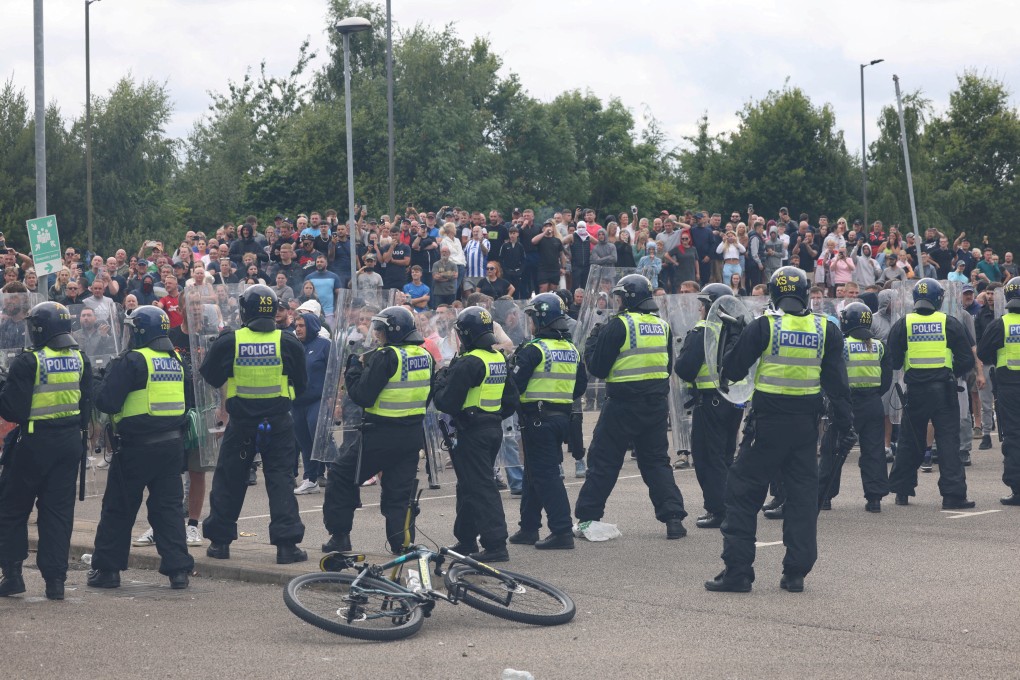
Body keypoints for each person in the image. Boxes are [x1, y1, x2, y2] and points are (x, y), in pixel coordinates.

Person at [705, 267, 852, 594]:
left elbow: (731, 370)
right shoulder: (826, 329)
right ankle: (795, 574)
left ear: (773, 293)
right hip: (805, 429)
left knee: (743, 493)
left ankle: (737, 573)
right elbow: (838, 384)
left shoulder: (764, 326)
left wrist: (734, 339)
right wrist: (846, 425)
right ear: (806, 293)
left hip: (766, 427)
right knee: (801, 499)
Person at [86, 307, 194, 590]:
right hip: (171, 446)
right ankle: (179, 571)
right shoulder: (175, 360)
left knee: (119, 509)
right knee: (167, 509)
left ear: (141, 331)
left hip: (136, 448)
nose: (128, 334)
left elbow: (108, 403)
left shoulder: (133, 360)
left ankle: (107, 571)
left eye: (131, 329)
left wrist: (98, 380)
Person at [199, 285, 309, 564]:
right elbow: (302, 383)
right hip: (279, 422)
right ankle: (286, 547)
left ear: (244, 311)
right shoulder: (288, 341)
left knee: (229, 480)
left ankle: (220, 543)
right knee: (281, 480)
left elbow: (210, 375)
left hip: (242, 423)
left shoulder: (230, 341)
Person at [574, 274, 688, 539]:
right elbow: (666, 366)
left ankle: (587, 517)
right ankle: (673, 519)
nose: (618, 302)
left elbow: (599, 368)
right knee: (657, 463)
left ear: (629, 298)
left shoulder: (618, 325)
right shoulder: (662, 326)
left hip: (622, 406)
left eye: (620, 297)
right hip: (655, 405)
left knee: (603, 461)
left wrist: (592, 342)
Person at [321, 306, 433, 554]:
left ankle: (340, 537)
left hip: (381, 433)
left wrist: (354, 368)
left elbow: (363, 396)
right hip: (412, 435)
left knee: (340, 474)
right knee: (399, 492)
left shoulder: (386, 356)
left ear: (393, 331)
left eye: (380, 330)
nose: (377, 335)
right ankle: (402, 544)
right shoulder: (425, 356)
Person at [0, 302, 92, 600]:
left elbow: (12, 409)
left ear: (40, 328)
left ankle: (12, 576)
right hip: (68, 444)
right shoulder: (80, 358)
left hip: (33, 444)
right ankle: (56, 583)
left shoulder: (30, 361)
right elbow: (88, 403)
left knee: (12, 510)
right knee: (57, 514)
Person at [433, 306, 519, 562]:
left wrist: (439, 382)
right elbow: (511, 400)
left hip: (472, 432)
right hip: (491, 428)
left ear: (467, 334)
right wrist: (490, 416)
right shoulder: (497, 358)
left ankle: (495, 544)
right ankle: (467, 539)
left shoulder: (469, 362)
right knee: (468, 485)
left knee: (480, 487)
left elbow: (447, 403)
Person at [507, 294, 587, 550]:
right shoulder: (572, 350)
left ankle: (562, 530)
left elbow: (513, 386)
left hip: (537, 420)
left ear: (540, 320)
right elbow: (579, 388)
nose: (528, 322)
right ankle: (529, 527)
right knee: (534, 474)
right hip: (561, 418)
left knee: (546, 476)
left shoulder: (534, 349)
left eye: (531, 317)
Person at [887, 278, 976, 509]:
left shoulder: (903, 324)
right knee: (948, 442)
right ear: (939, 299)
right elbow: (966, 360)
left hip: (915, 391)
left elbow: (893, 361)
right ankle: (952, 496)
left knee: (908, 441)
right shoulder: (950, 323)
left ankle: (902, 491)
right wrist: (949, 372)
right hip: (944, 391)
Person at [674, 283, 745, 529]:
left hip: (710, 401)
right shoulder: (738, 328)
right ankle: (731, 505)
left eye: (702, 304)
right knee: (726, 457)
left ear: (709, 306)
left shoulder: (703, 330)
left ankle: (718, 511)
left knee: (708, 458)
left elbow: (685, 368)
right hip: (734, 400)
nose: (699, 308)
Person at [817, 302, 892, 513]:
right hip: (873, 403)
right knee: (874, 451)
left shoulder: (841, 345)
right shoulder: (879, 346)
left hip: (845, 404)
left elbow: (833, 377)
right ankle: (874, 498)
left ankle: (824, 497)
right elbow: (886, 380)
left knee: (832, 450)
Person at [976, 276, 1020, 505]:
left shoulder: (1001, 323)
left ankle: (1018, 489)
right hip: (1010, 387)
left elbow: (983, 352)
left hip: (1010, 387)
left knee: (1014, 436)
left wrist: (998, 357)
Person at [292, 312, 330, 495]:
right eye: (296, 325)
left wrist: (335, 400)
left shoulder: (325, 345)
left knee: (321, 438)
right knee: (304, 441)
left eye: (301, 325)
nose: (297, 329)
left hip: (318, 400)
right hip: (297, 402)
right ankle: (310, 479)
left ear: (312, 326)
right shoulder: (294, 346)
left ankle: (338, 475)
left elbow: (336, 373)